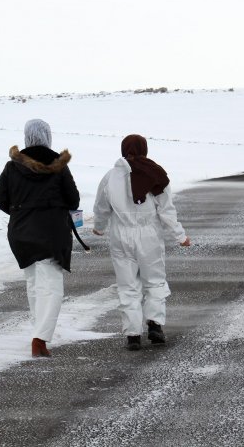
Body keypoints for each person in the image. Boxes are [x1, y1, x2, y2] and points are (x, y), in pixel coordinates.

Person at [92, 134, 191, 351]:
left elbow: (101, 206)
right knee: (154, 281)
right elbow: (166, 211)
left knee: (128, 286)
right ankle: (155, 325)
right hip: (149, 237)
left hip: (121, 236)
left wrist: (99, 227)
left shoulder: (110, 177)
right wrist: (180, 236)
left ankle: (133, 335)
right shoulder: (155, 174)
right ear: (144, 150)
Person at [0, 119, 80, 357]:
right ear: (47, 136)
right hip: (52, 232)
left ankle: (38, 333)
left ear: (27, 137)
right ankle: (40, 339)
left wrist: (21, 212)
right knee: (51, 287)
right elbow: (73, 200)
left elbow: (1, 199)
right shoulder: (59, 165)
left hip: (21, 233)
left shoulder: (12, 167)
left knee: (33, 283)